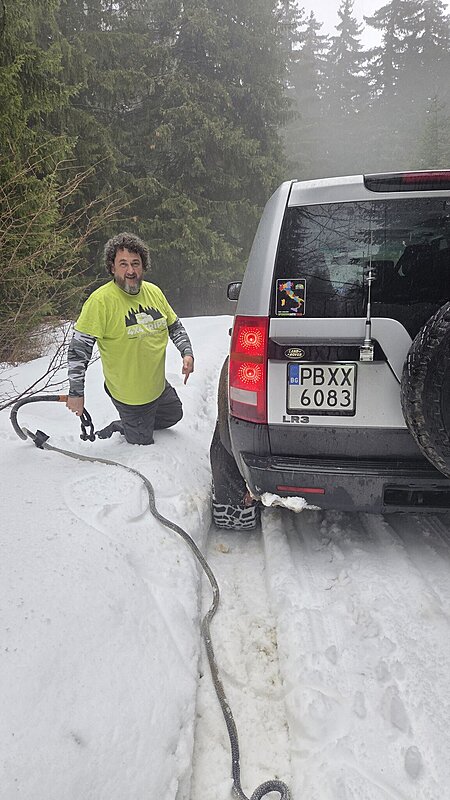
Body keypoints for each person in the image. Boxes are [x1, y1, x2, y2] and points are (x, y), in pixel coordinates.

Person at [66, 232, 194, 445]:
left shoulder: (154, 292)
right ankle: (124, 424)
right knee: (142, 442)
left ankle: (139, 422)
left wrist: (187, 353)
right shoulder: (100, 302)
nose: (131, 271)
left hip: (157, 387)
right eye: (123, 264)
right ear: (112, 267)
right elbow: (78, 351)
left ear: (143, 266)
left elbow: (174, 326)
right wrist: (76, 393)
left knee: (174, 414)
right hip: (131, 396)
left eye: (136, 263)